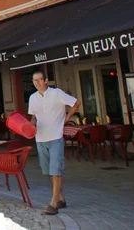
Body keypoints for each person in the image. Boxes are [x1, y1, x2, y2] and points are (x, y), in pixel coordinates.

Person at [28, 70, 81, 216]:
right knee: (48, 172)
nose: (37, 83)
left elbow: (76, 103)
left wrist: (66, 119)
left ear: (46, 80)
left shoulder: (56, 93)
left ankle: (53, 203)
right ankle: (61, 198)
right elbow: (34, 117)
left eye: (39, 80)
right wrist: (28, 127)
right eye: (34, 80)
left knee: (55, 170)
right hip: (40, 138)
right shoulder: (33, 98)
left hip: (55, 137)